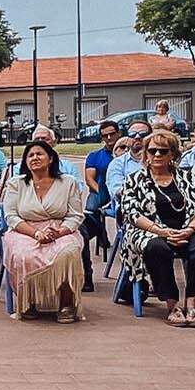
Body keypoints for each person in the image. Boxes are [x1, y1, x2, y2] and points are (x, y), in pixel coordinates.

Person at [119, 130, 195, 327]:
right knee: (157, 248)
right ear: (145, 153)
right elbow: (132, 214)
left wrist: (188, 230)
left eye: (163, 151)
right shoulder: (134, 180)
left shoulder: (187, 178)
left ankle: (192, 304)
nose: (157, 155)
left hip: (187, 229)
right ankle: (172, 304)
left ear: (172, 154)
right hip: (149, 231)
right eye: (152, 151)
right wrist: (161, 231)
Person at [1, 140, 83, 322]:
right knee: (23, 253)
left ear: (51, 158)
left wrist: (59, 232)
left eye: (39, 154)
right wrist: (36, 234)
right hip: (24, 230)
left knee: (68, 251)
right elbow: (11, 216)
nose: (35, 158)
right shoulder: (16, 183)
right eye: (30, 155)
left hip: (60, 229)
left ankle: (66, 303)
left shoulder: (68, 182)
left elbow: (75, 215)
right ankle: (28, 301)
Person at [80, 120, 120, 291]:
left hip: (122, 193)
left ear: (119, 133)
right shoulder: (95, 156)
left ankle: (102, 235)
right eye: (105, 135)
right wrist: (104, 193)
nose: (109, 137)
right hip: (101, 191)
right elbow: (89, 179)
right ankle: (91, 234)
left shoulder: (126, 153)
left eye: (112, 133)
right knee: (91, 209)